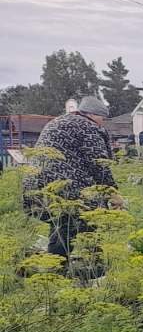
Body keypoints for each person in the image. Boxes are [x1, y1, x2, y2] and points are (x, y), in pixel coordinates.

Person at [22, 94, 117, 257]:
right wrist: (112, 192)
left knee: (62, 225)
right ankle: (93, 268)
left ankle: (56, 271)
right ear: (93, 115)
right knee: (88, 221)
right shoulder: (88, 126)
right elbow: (99, 163)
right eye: (103, 118)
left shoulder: (58, 121)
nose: (103, 123)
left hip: (36, 186)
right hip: (65, 188)